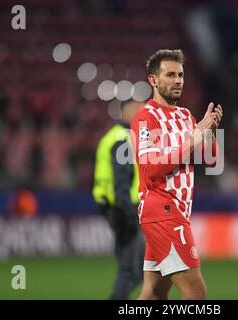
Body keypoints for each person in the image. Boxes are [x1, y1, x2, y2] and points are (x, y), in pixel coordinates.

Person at [130, 49, 223, 300]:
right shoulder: (144, 119)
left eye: (180, 75)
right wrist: (191, 142)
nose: (178, 80)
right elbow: (151, 170)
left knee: (153, 294)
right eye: (170, 74)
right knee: (196, 295)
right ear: (153, 80)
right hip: (163, 212)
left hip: (175, 212)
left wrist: (210, 132)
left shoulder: (185, 115)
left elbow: (210, 159)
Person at [92, 99, 145, 300]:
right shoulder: (123, 138)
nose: (141, 112)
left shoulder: (117, 136)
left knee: (137, 267)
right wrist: (129, 213)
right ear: (127, 111)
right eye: (138, 109)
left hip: (121, 208)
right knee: (131, 270)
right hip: (124, 210)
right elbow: (121, 180)